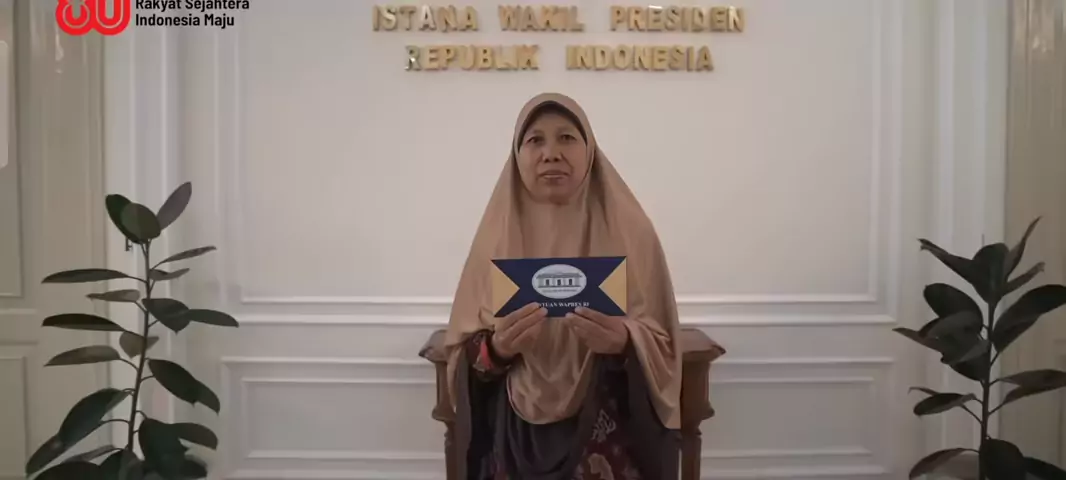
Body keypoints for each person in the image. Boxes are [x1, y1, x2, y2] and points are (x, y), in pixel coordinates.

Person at [444, 92, 685, 480]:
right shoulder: (494, 240)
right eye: (535, 140)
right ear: (517, 154)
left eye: (567, 138)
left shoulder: (633, 233)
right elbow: (462, 355)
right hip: (515, 435)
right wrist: (497, 349)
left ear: (590, 150)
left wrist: (625, 341)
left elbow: (665, 345)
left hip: (610, 429)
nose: (551, 154)